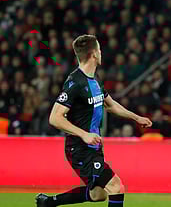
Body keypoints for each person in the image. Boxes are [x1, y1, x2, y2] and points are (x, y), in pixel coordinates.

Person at [36, 35, 152, 207]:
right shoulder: (75, 82)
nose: (101, 52)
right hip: (79, 148)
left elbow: (111, 105)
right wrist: (84, 135)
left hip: (93, 147)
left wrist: (136, 117)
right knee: (116, 187)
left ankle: (48, 203)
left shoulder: (94, 80)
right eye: (99, 49)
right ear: (94, 55)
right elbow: (55, 117)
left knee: (98, 195)